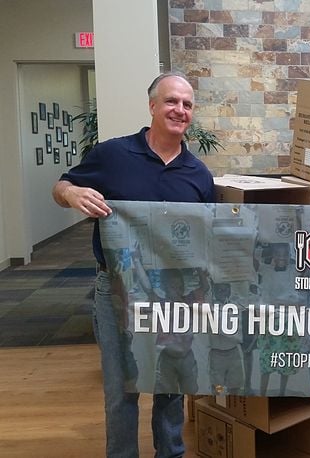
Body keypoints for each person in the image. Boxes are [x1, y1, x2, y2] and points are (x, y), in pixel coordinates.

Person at [52, 71, 215, 458]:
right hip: (118, 288)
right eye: (172, 101)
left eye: (187, 104)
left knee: (170, 383)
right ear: (153, 106)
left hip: (176, 291)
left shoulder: (198, 175)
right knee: (121, 386)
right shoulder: (112, 155)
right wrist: (72, 192)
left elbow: (206, 238)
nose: (180, 110)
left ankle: (170, 453)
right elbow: (60, 186)